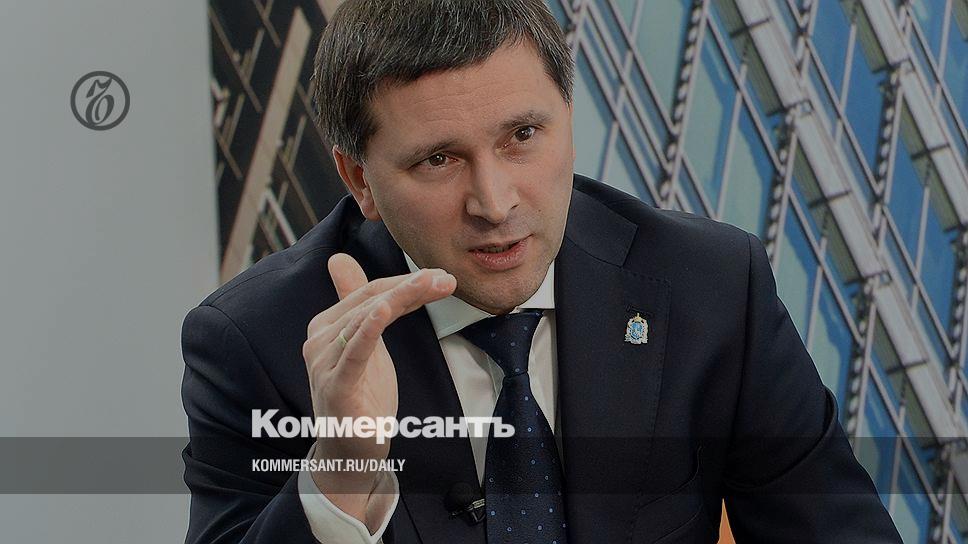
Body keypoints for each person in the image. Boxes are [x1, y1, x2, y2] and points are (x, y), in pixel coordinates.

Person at [180, 0, 903, 542]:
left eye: (522, 135)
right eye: (438, 159)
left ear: (568, 117)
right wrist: (341, 471)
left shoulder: (710, 287)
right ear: (359, 179)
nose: (495, 204)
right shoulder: (255, 340)